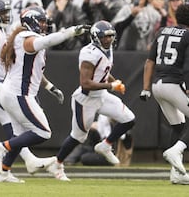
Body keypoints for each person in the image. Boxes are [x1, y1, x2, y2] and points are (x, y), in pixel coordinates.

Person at [0, 5, 90, 182]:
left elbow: (35, 71)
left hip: (12, 92)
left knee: (20, 136)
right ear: (31, 21)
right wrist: (71, 31)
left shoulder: (22, 38)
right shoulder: (26, 38)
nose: (44, 25)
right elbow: (47, 41)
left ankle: (2, 173)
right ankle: (1, 147)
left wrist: (50, 87)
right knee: (43, 132)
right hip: (19, 94)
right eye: (41, 21)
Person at [0, 0, 60, 183]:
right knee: (10, 119)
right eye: (2, 12)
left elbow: (21, 66)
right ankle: (27, 160)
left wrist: (48, 85)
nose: (5, 15)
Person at [46, 20, 136, 181]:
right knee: (78, 136)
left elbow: (103, 71)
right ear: (96, 37)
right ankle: (57, 164)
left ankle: (106, 145)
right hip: (85, 100)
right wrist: (111, 86)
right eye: (105, 37)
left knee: (129, 119)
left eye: (111, 36)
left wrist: (115, 82)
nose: (108, 40)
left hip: (100, 96)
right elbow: (85, 84)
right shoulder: (89, 53)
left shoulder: (107, 49)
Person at [140, 4, 189, 185]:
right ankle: (175, 151)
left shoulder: (162, 31)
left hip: (157, 87)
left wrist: (145, 88)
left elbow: (149, 61)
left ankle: (176, 173)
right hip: (173, 85)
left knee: (178, 126)